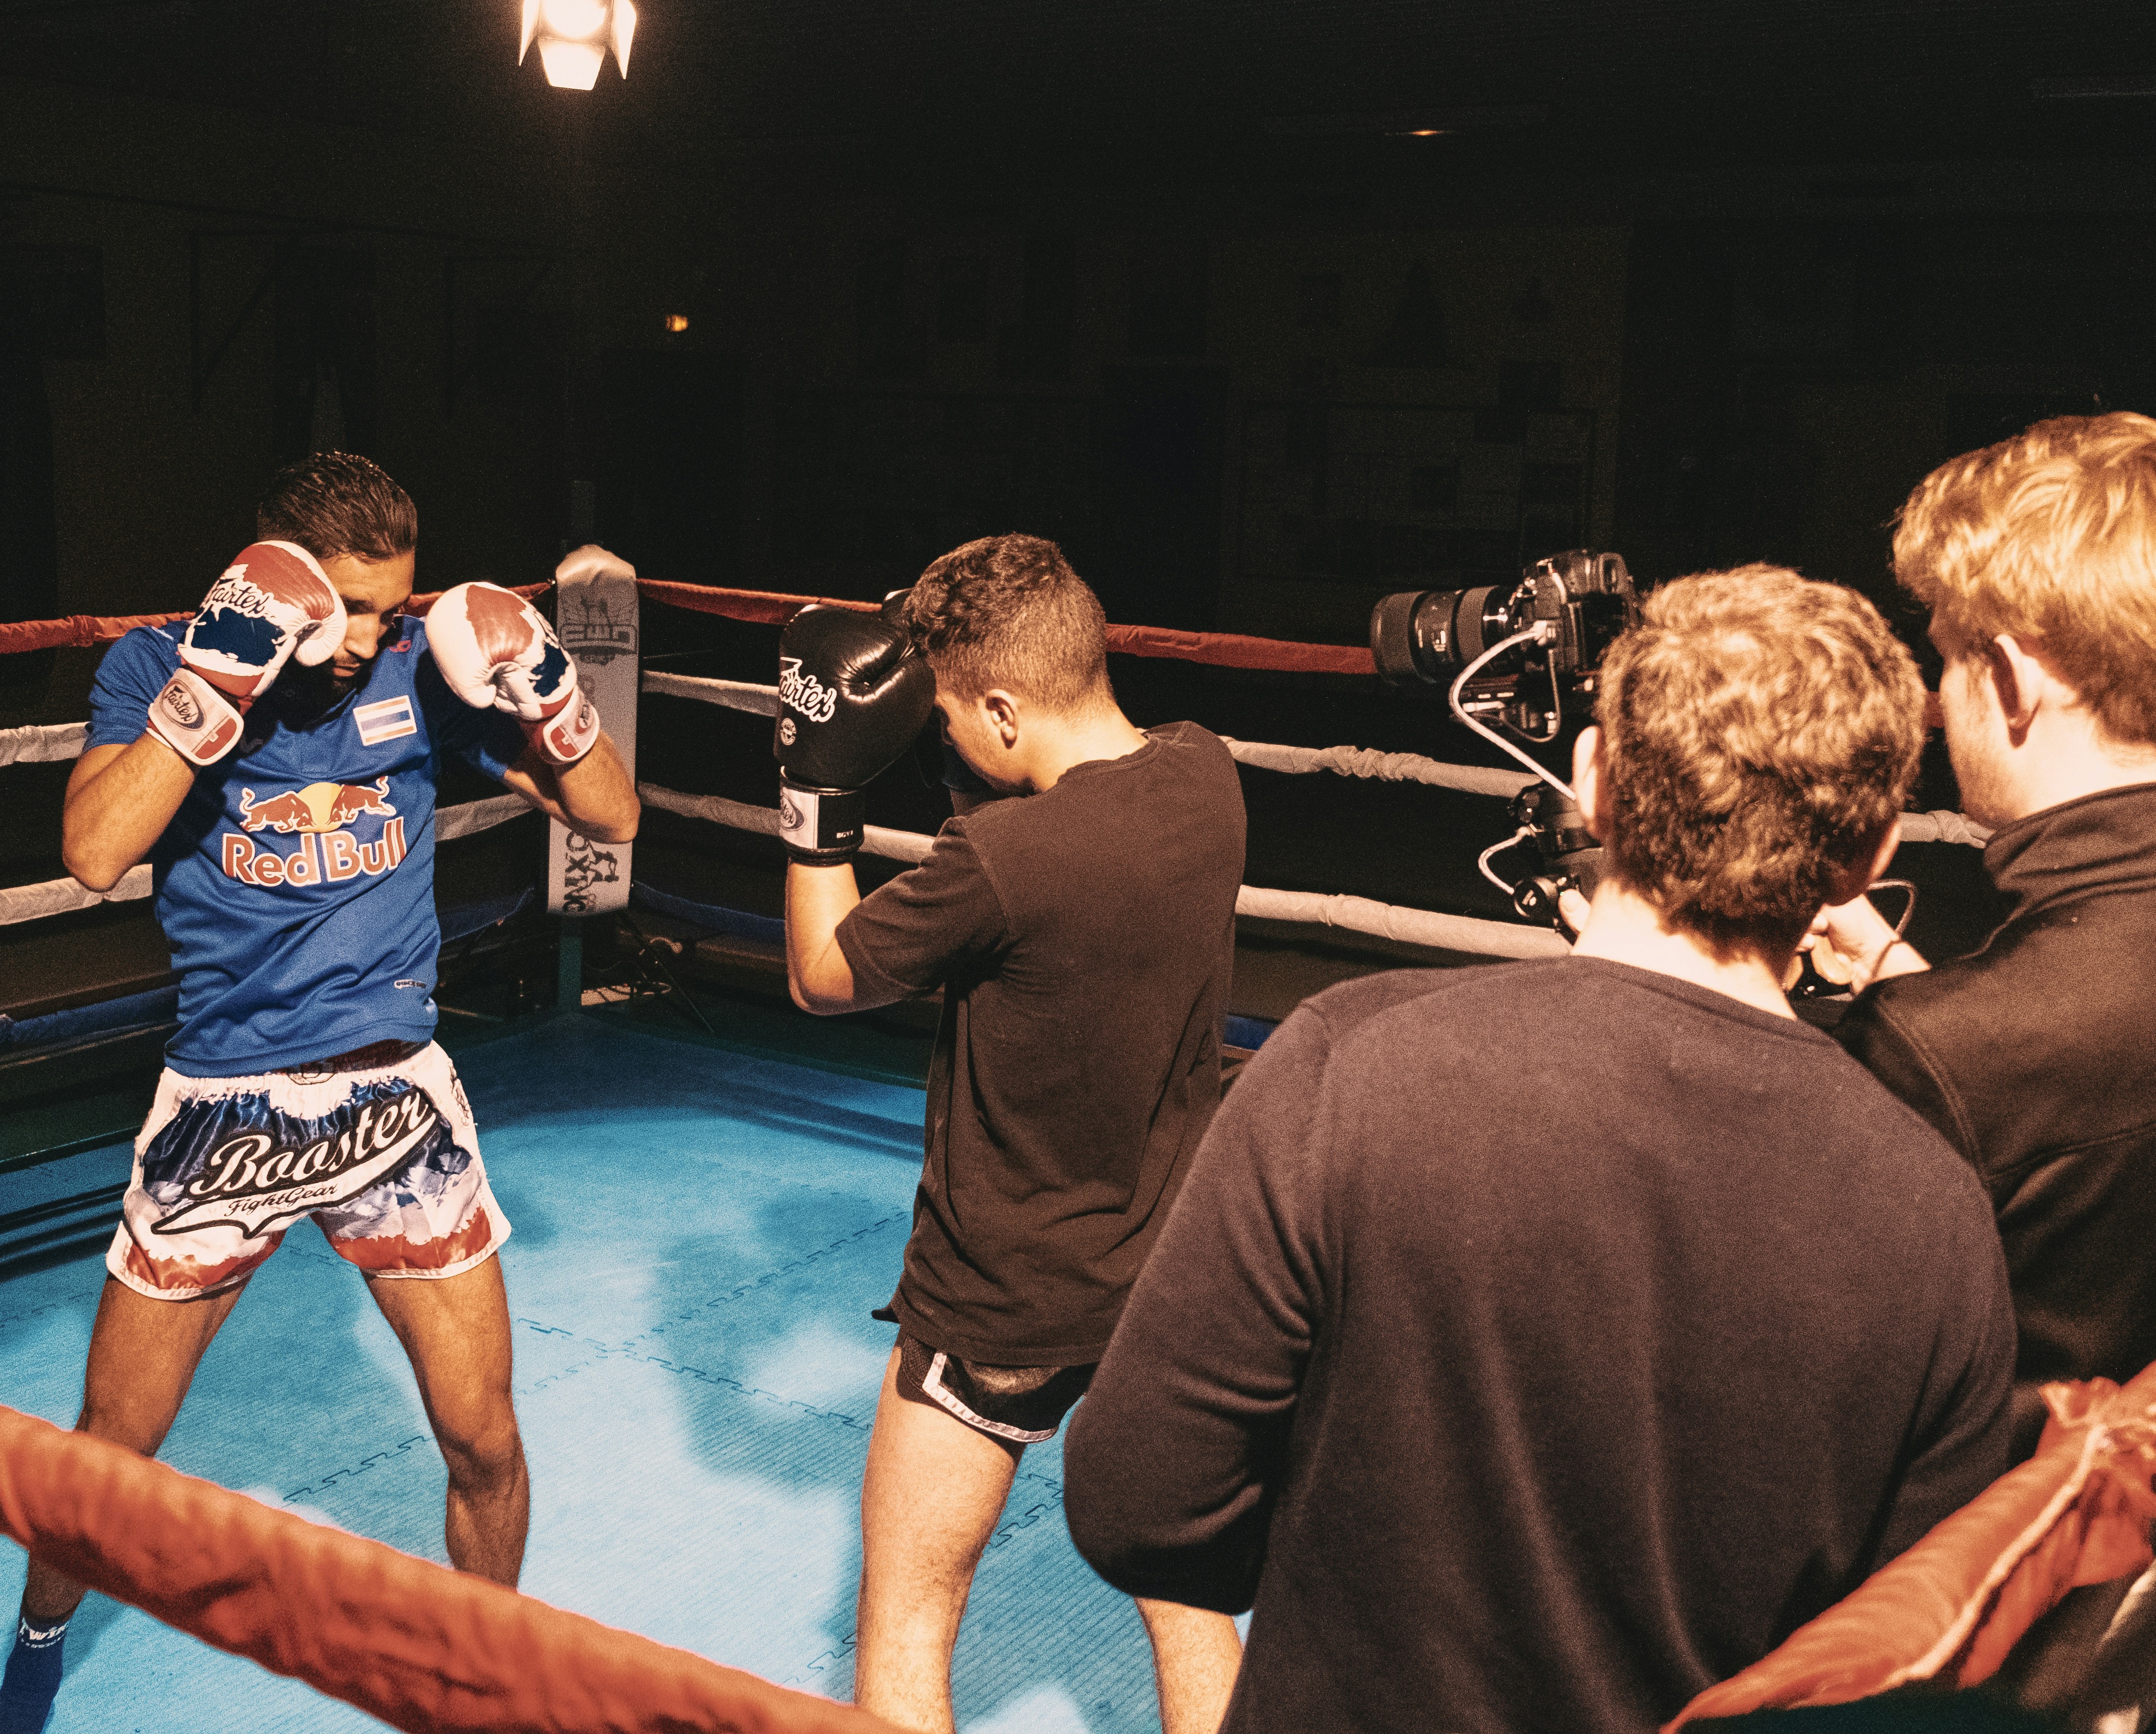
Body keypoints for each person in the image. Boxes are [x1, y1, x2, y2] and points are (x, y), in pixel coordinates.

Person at [1062, 565, 2017, 1734]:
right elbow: (1913, 1671)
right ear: (1868, 859)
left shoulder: (1350, 1065)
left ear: (1593, 784)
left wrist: (1353, 1577)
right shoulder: (1932, 1208)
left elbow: (1137, 1505)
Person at [0, 451, 638, 1734]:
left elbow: (609, 815)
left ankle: (489, 1675)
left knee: (484, 1437)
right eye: (345, 608)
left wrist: (551, 693)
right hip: (225, 1109)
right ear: (272, 580)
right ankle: (36, 1644)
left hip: (398, 1102)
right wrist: (203, 694)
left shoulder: (420, 676)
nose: (368, 639)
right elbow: (93, 853)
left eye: (392, 608)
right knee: (111, 1448)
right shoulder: (156, 662)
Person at [1809, 412, 2156, 1732]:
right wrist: (1915, 993)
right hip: (2142, 1618)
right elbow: (2123, 1073)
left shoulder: (1946, 1062)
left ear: (2011, 676)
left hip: (1941, 1666)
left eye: (1944, 656)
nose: (1939, 697)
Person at [776, 534, 1248, 1734]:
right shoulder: (1211, 777)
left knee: (908, 1618)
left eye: (946, 719)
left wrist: (818, 784)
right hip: (1165, 1280)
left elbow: (824, 974)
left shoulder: (1000, 859)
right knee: (1189, 1601)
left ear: (998, 706)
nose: (939, 739)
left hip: (1000, 1297)